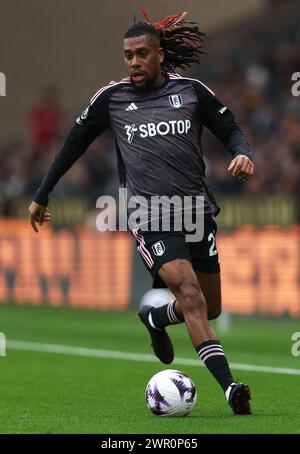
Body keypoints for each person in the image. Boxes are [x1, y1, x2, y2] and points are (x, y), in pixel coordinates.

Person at [29, 10, 254, 415]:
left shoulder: (191, 91)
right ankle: (230, 388)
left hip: (195, 212)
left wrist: (242, 152)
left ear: (159, 55)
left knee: (209, 306)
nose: (133, 62)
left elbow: (230, 128)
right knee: (190, 294)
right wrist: (42, 193)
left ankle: (154, 318)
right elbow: (73, 144)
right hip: (150, 214)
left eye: (141, 54)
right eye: (128, 55)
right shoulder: (111, 98)